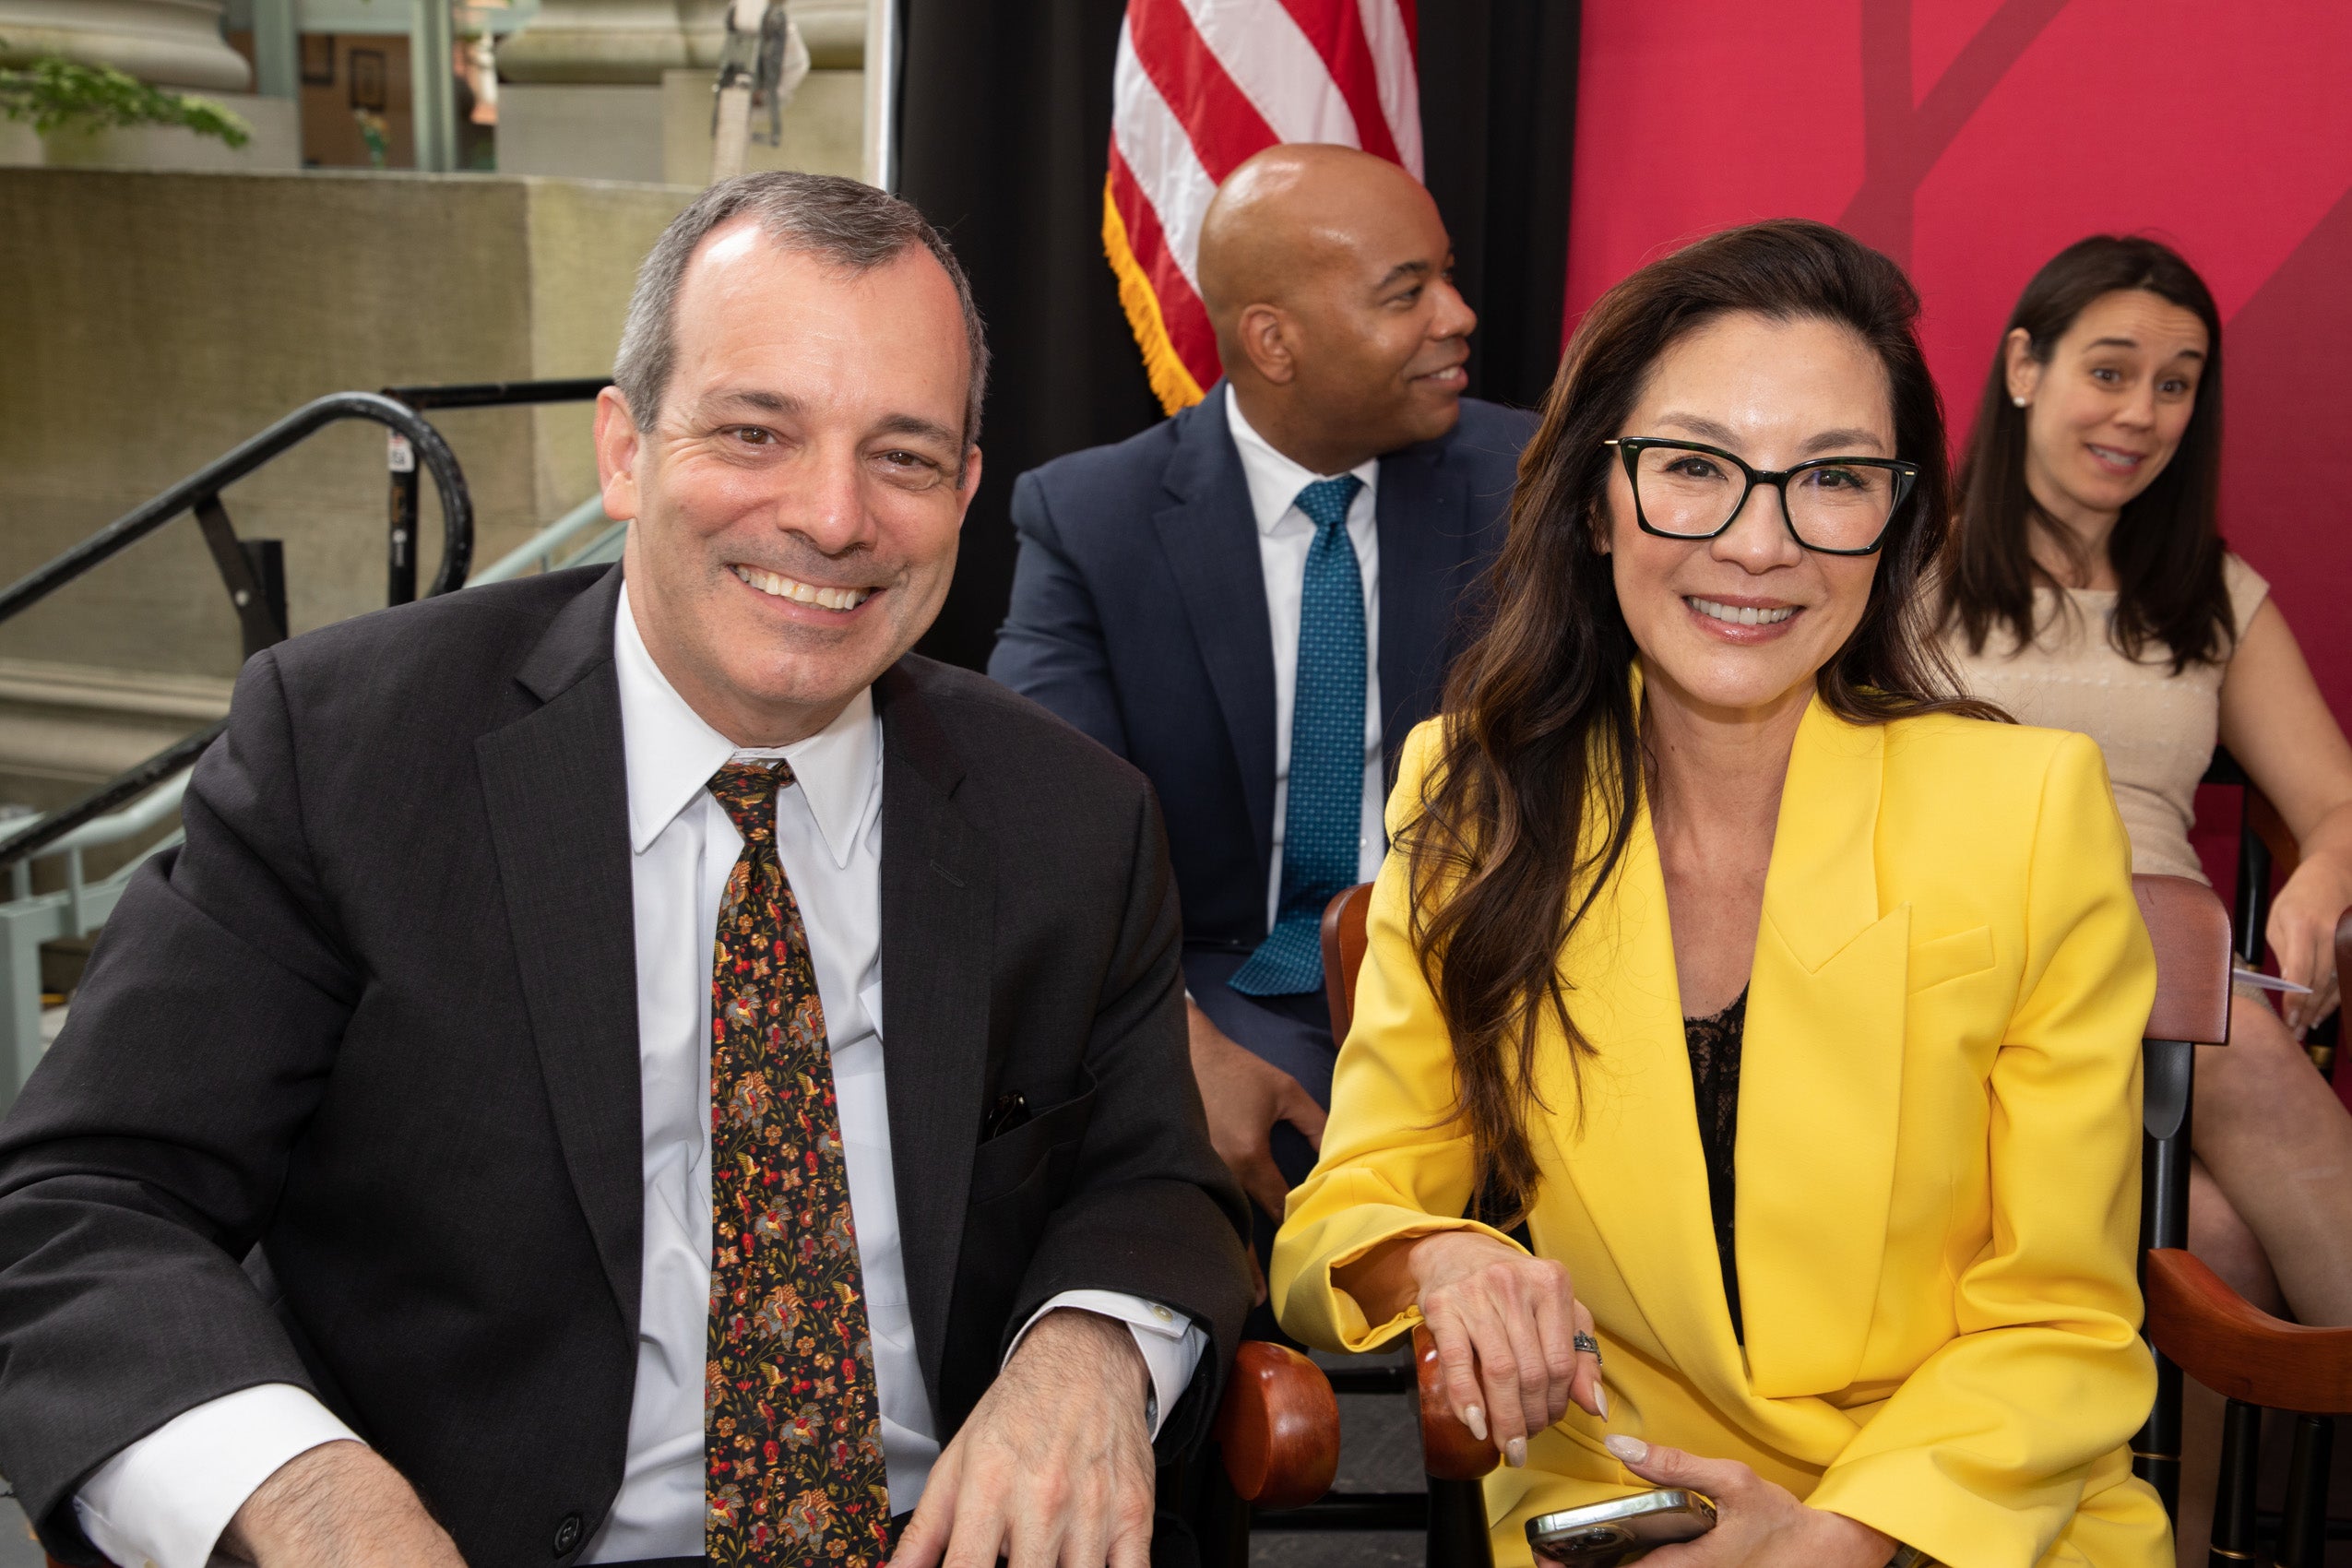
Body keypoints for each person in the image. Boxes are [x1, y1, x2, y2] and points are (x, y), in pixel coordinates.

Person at [0, 173, 1250, 1568]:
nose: (832, 518)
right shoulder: (347, 757)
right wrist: (306, 1500)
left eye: (901, 457)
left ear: (964, 489)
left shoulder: (1070, 817)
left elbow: (1156, 1177)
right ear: (624, 447)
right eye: (755, 431)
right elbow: (84, 1204)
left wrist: (1084, 1351)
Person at [1271, 219, 2168, 1567]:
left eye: (1832, 480)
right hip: (1629, 1512)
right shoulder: (1473, 793)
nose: (1759, 544)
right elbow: (1341, 1216)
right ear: (1595, 498)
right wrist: (1439, 1260)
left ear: (1893, 519)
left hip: (1968, 1521)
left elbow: (2061, 1319)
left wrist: (1842, 1539)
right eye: (1693, 468)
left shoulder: (2027, 812)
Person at [988, 144, 1535, 1269]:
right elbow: (1036, 824)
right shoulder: (1093, 519)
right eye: (1408, 292)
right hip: (1217, 984)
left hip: (1489, 976)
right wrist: (1173, 1048)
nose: (1458, 316)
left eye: (1448, 275)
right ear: (1274, 340)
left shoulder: (1537, 482)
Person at [1939, 234, 2352, 1330]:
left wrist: (2320, 880)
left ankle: (2193, 1516)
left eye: (2175, 385)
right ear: (2026, 368)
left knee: (2211, 1236)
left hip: (2165, 988)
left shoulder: (2208, 594)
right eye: (2110, 370)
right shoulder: (1906, 571)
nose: (2141, 413)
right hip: (1963, 976)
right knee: (2227, 1033)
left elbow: (2338, 801)